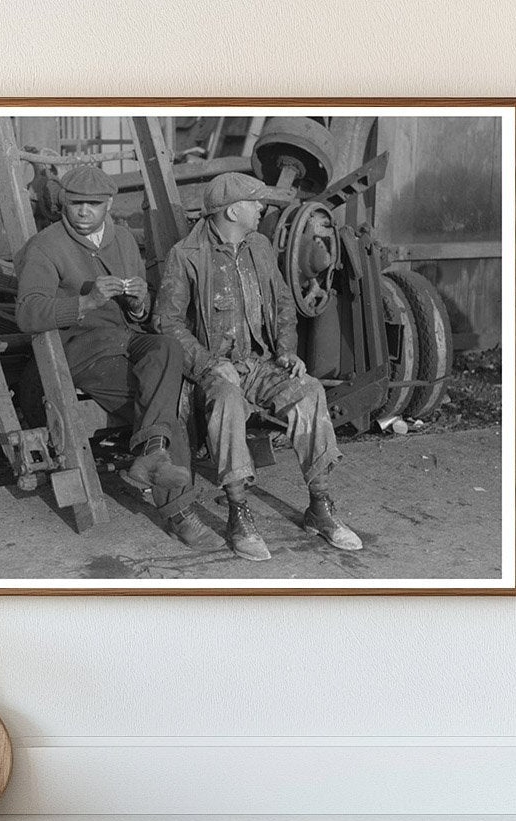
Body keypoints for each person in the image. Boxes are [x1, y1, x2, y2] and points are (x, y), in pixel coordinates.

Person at [153, 172, 362, 562]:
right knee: (229, 402)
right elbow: (166, 324)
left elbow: (284, 303)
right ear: (233, 210)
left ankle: (319, 506)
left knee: (310, 390)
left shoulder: (260, 246)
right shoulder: (186, 256)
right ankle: (238, 514)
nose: (261, 208)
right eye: (255, 203)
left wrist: (286, 350)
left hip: (260, 363)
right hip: (213, 373)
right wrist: (211, 364)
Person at [16, 164, 222, 552]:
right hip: (82, 351)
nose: (83, 212)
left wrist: (139, 302)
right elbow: (27, 312)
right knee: (166, 414)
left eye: (93, 205)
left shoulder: (124, 239)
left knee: (167, 347)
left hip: (126, 338)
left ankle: (150, 456)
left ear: (108, 204)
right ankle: (179, 514)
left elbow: (138, 316)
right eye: (76, 203)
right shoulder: (46, 246)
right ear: (65, 202)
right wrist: (85, 302)